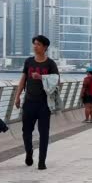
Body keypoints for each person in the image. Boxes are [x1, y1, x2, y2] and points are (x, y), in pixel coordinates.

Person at [14, 35, 59, 170]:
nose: (35, 46)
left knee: (44, 132)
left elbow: (56, 81)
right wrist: (17, 96)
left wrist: (41, 77)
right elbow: (23, 79)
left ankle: (41, 161)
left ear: (45, 47)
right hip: (29, 102)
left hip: (44, 103)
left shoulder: (50, 64)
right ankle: (29, 152)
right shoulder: (28, 62)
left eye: (38, 44)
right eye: (34, 44)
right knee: (26, 131)